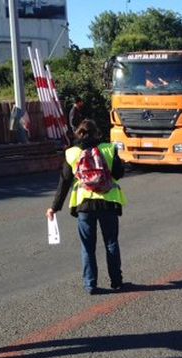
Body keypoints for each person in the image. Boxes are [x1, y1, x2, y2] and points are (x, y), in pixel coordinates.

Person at [46, 119, 128, 295]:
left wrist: (54, 207)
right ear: (97, 133)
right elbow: (119, 174)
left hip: (84, 206)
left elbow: (64, 182)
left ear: (78, 134)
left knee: (87, 247)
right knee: (111, 243)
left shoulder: (72, 153)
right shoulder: (108, 148)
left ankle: (90, 285)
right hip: (108, 203)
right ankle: (117, 281)